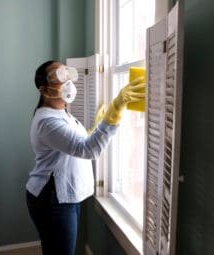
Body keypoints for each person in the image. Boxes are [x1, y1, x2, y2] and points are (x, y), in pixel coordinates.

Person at [26, 60, 145, 255]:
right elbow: (89, 150)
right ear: (45, 91)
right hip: (52, 197)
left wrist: (96, 127)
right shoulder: (47, 121)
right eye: (59, 77)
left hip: (62, 195)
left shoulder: (61, 113)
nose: (68, 81)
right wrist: (115, 111)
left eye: (67, 73)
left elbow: (74, 143)